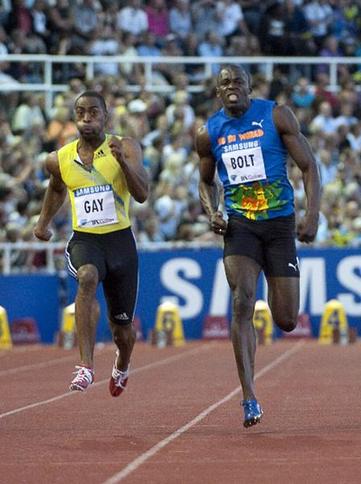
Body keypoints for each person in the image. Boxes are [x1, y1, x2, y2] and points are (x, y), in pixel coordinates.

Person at [195, 65, 320, 428]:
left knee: (286, 319)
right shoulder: (209, 132)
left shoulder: (276, 115)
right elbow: (205, 182)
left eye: (238, 82)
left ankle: (271, 305)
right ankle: (248, 396)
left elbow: (309, 166)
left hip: (280, 224)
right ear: (217, 92)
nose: (232, 87)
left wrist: (312, 216)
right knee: (242, 298)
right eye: (225, 83)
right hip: (241, 226)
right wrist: (211, 211)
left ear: (250, 87)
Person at [34, 91, 149, 395]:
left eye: (93, 113)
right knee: (86, 276)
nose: (87, 119)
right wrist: (42, 223)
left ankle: (122, 363)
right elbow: (56, 190)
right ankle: (85, 365)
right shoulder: (59, 158)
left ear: (105, 115)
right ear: (75, 117)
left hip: (120, 242)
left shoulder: (124, 146)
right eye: (81, 113)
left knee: (123, 332)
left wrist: (122, 162)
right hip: (85, 238)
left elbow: (142, 193)